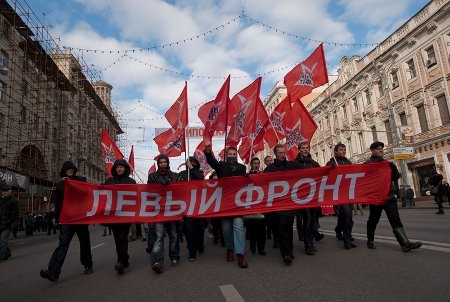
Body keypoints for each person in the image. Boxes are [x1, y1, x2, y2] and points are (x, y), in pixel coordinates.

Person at [40, 161, 93, 282]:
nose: (70, 170)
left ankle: (88, 265)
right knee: (62, 244)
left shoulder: (81, 180)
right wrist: (57, 219)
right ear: (64, 170)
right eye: (67, 168)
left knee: (84, 243)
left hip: (80, 218)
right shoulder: (60, 185)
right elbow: (58, 204)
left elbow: (86, 193)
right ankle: (53, 272)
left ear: (74, 170)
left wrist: (72, 184)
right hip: (67, 219)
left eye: (72, 168)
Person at [365, 142, 422, 252]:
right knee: (373, 220)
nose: (381, 150)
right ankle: (370, 240)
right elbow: (365, 179)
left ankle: (405, 244)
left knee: (395, 219)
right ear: (372, 151)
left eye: (382, 148)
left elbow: (395, 177)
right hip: (376, 197)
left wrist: (393, 168)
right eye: (378, 149)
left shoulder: (387, 163)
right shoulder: (368, 164)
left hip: (389, 196)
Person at [204, 144, 248, 268]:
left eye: (234, 154)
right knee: (227, 230)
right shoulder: (221, 166)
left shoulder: (242, 168)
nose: (232, 156)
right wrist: (208, 151)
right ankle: (229, 249)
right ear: (226, 155)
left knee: (239, 227)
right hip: (225, 203)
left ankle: (240, 254)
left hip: (238, 203)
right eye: (230, 154)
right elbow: (212, 161)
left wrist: (247, 178)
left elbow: (244, 184)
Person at [264, 144, 302, 264]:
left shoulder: (292, 165)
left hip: (290, 202)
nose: (282, 154)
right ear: (275, 154)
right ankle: (285, 253)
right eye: (279, 153)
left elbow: (308, 169)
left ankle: (289, 251)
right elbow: (261, 181)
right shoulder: (270, 169)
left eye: (283, 152)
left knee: (289, 228)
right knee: (282, 227)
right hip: (277, 204)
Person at [148, 154, 182, 273]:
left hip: (172, 211)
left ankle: (174, 256)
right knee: (159, 236)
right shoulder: (152, 176)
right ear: (158, 164)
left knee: (173, 235)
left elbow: (177, 190)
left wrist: (166, 181)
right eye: (161, 162)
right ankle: (157, 261)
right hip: (158, 211)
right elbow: (149, 191)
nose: (163, 164)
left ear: (168, 163)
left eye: (164, 162)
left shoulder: (174, 176)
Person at [104, 159, 136, 275]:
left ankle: (120, 262)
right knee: (117, 239)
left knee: (123, 237)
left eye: (121, 167)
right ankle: (124, 258)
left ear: (125, 168)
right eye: (117, 167)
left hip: (126, 215)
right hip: (113, 215)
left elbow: (136, 198)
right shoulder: (109, 181)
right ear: (115, 169)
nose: (119, 169)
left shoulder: (131, 182)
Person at [326, 143, 356, 250]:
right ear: (335, 151)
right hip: (338, 193)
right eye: (341, 149)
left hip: (348, 192)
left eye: (345, 149)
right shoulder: (331, 162)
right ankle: (347, 240)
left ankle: (339, 230)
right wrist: (331, 168)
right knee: (347, 214)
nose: (343, 151)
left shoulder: (348, 162)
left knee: (347, 216)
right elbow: (327, 176)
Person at [295, 142, 322, 255]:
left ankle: (310, 241)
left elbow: (322, 174)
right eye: (303, 148)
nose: (305, 150)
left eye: (307, 148)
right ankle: (308, 244)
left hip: (313, 196)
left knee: (312, 220)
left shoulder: (314, 163)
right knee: (308, 218)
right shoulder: (295, 164)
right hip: (301, 197)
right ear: (299, 150)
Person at [178, 156, 205, 262]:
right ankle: (192, 252)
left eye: (194, 163)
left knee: (200, 229)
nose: (192, 164)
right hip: (187, 206)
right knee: (189, 230)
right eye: (190, 162)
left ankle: (200, 245)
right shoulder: (182, 175)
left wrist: (192, 169)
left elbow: (201, 178)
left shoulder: (199, 173)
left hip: (199, 206)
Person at [245, 157, 266, 256]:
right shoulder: (247, 175)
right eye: (254, 163)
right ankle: (253, 244)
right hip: (251, 206)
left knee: (262, 229)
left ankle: (261, 248)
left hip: (261, 205)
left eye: (258, 163)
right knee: (252, 229)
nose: (256, 165)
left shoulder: (263, 175)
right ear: (251, 165)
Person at [0, 184, 19, 262]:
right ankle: (7, 253)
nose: (4, 193)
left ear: (10, 191)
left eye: (6, 191)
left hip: (8, 224)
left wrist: (8, 222)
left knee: (3, 239)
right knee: (1, 240)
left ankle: (1, 256)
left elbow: (15, 213)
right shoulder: (0, 200)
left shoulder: (14, 200)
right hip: (0, 223)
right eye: (3, 191)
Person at [263, 155, 277, 244]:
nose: (270, 161)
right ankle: (268, 231)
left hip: (276, 198)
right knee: (269, 219)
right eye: (268, 160)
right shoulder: (265, 172)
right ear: (265, 162)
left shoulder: (277, 169)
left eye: (271, 160)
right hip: (268, 198)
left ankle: (276, 240)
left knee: (276, 220)